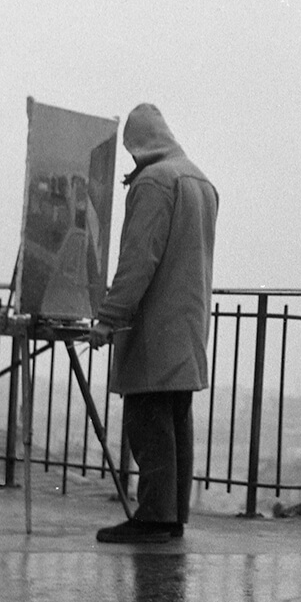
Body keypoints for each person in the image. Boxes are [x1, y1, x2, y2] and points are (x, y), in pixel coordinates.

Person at [88, 103, 219, 544]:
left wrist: (109, 318)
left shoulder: (154, 183)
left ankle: (154, 517)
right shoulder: (199, 179)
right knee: (176, 422)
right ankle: (172, 515)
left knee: (147, 422)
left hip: (154, 325)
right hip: (188, 324)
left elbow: (137, 259)